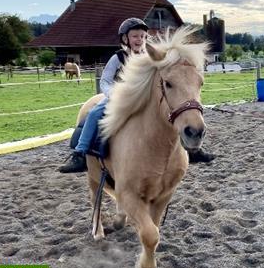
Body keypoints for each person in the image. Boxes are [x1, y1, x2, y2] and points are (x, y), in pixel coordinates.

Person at [58, 18, 215, 173]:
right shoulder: (118, 58)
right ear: (126, 38)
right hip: (119, 97)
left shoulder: (151, 57)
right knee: (94, 113)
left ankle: (191, 150)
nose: (139, 39)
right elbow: (105, 81)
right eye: (135, 36)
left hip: (144, 96)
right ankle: (80, 153)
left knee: (171, 113)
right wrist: (112, 94)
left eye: (142, 36)